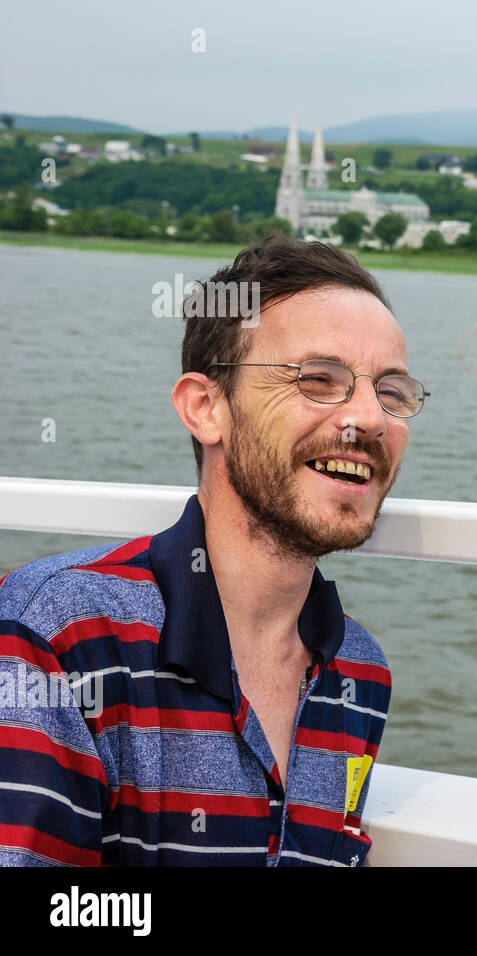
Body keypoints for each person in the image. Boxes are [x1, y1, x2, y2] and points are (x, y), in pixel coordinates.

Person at [0, 234, 424, 865]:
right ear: (205, 407)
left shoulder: (359, 672)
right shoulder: (64, 635)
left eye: (391, 393)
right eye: (317, 379)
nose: (369, 418)